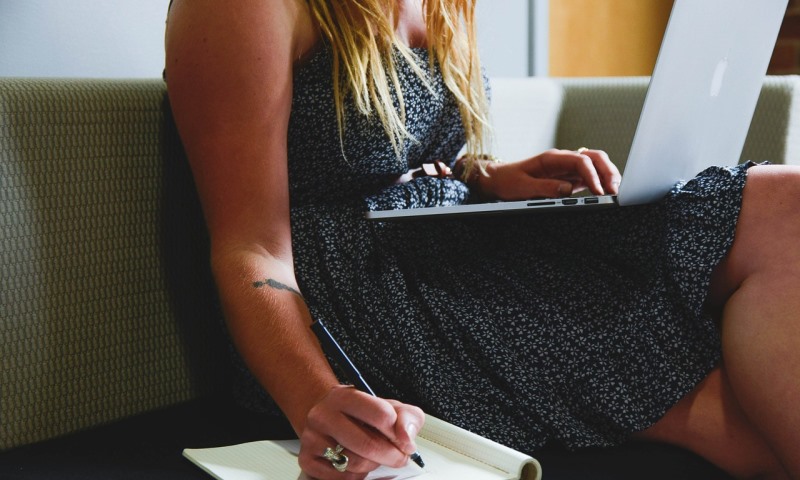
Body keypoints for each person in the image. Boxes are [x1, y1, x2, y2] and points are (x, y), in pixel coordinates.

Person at [164, 1, 800, 478]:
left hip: (443, 245)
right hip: (349, 302)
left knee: (782, 214)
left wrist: (488, 179)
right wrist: (316, 400)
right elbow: (250, 247)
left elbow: (394, 155)